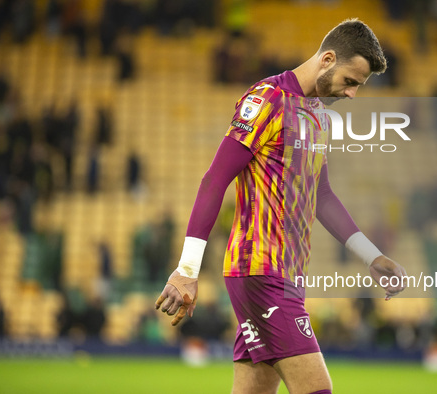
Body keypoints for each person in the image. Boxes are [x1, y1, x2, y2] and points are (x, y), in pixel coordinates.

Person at [155, 19, 407, 394]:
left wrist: (371, 256)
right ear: (327, 59)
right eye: (350, 82)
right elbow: (214, 179)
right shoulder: (267, 99)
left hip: (287, 276)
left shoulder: (319, 116)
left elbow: (321, 197)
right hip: (260, 272)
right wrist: (187, 269)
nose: (352, 94)